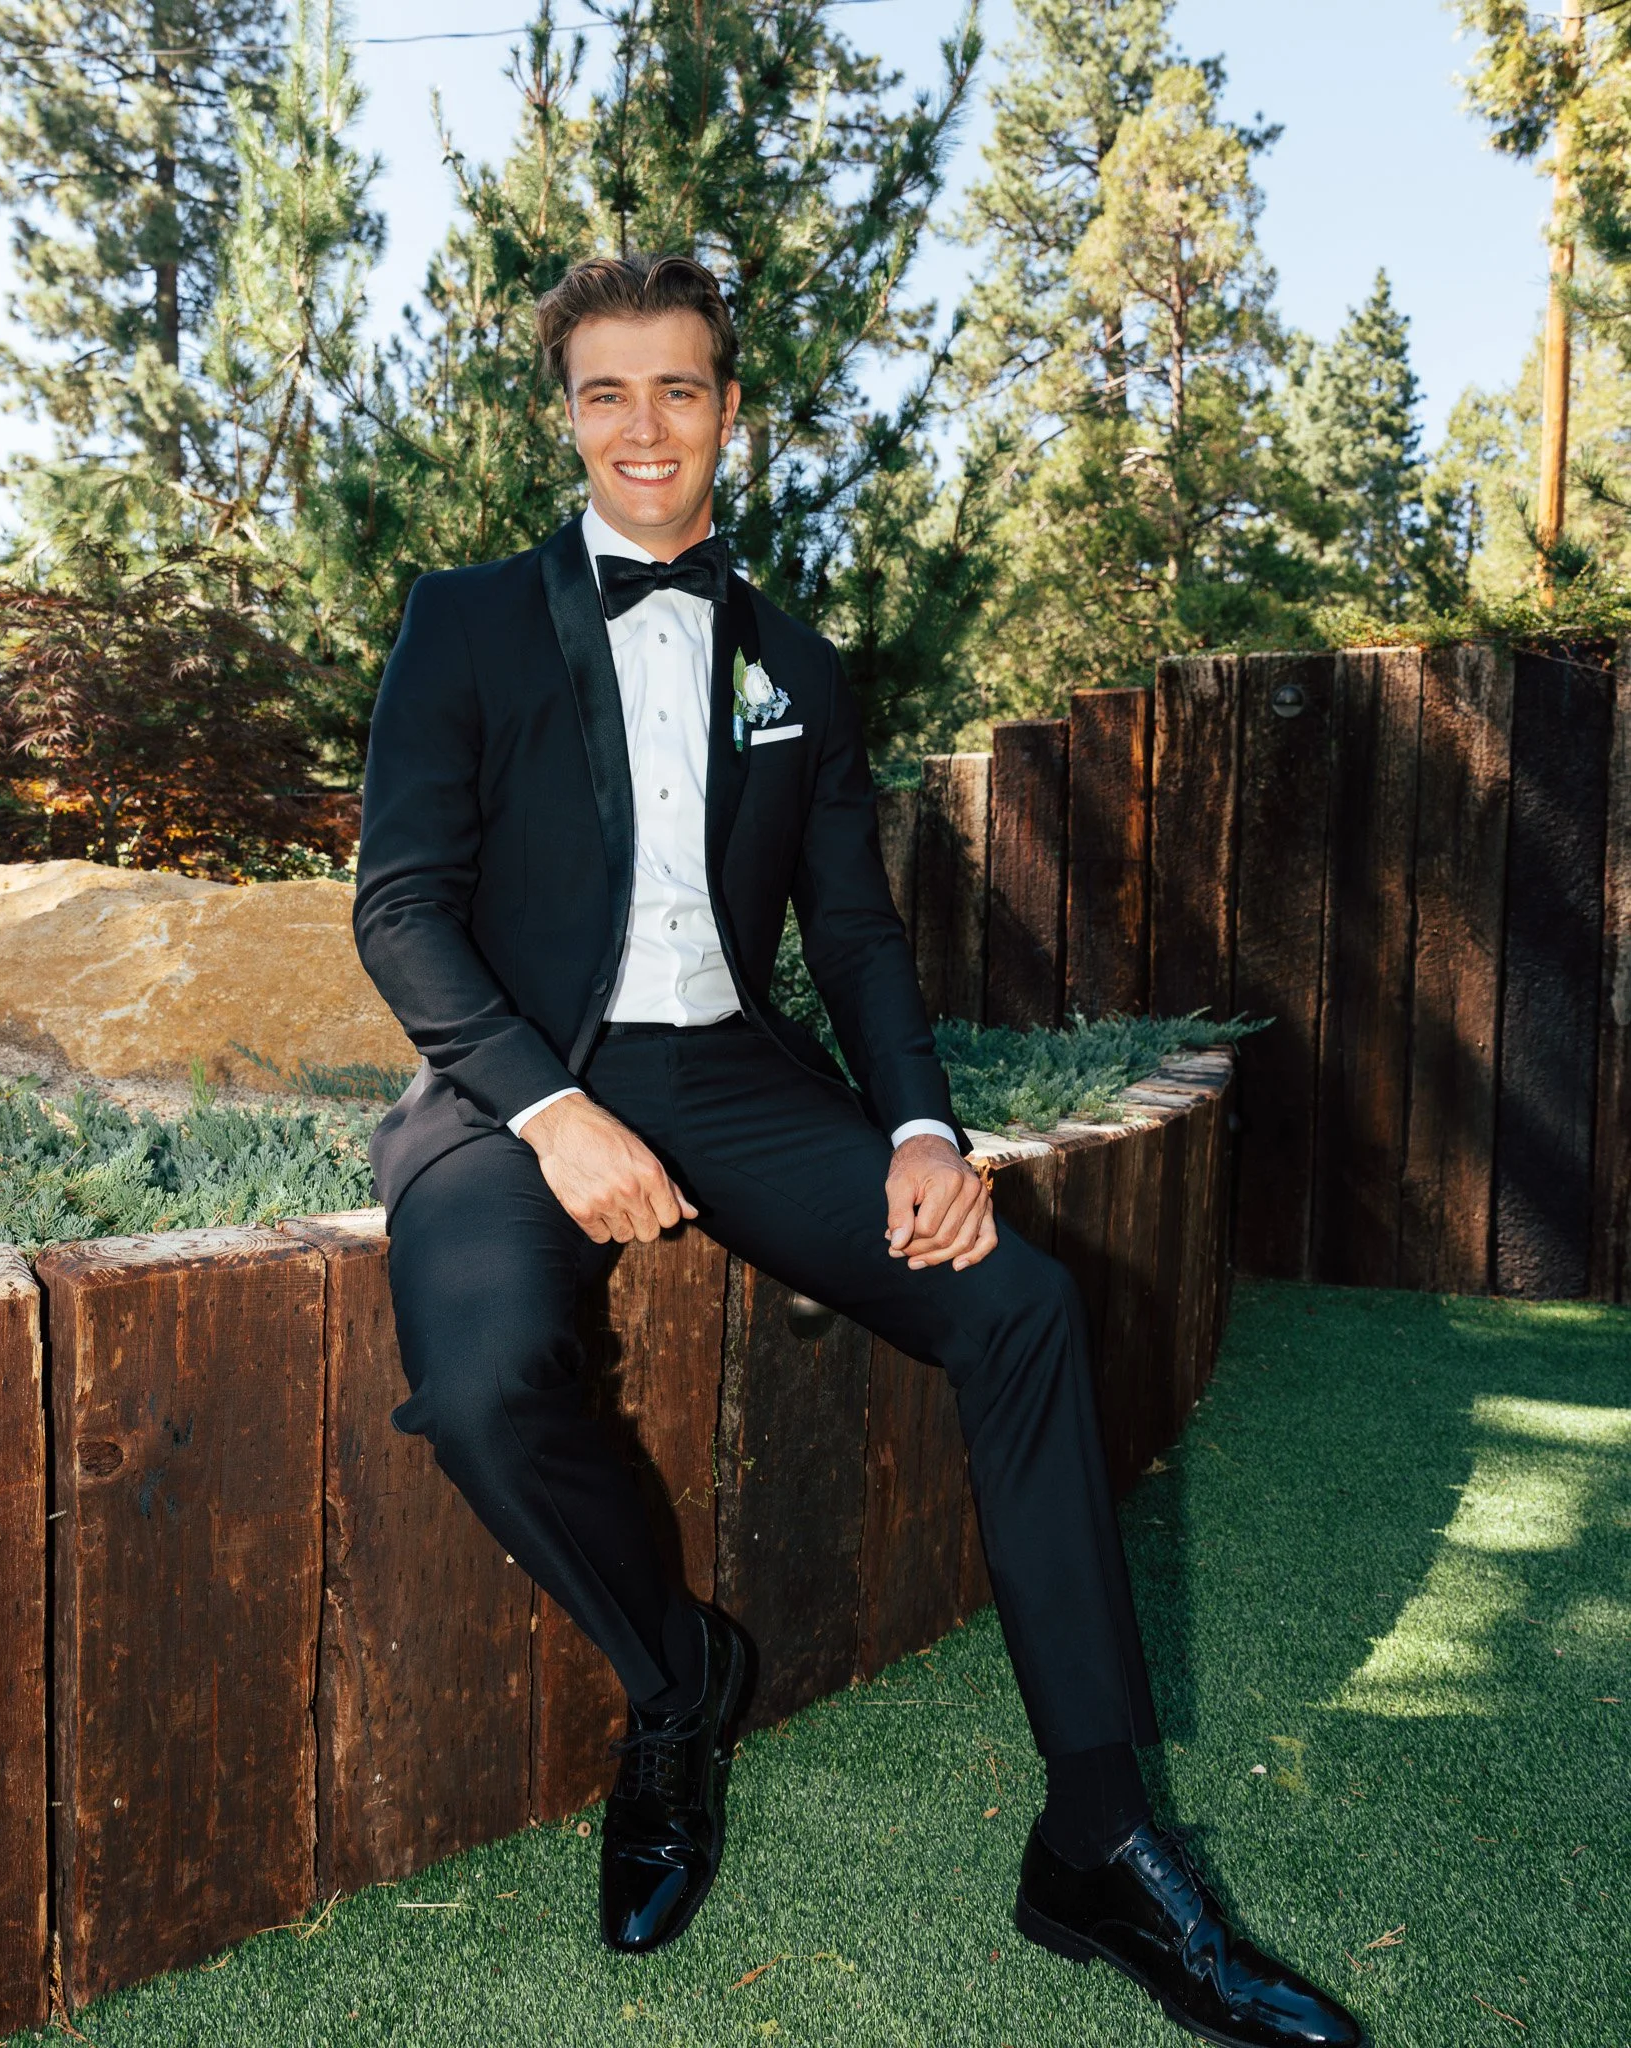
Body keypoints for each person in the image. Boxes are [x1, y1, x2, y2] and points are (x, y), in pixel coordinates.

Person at [351, 250, 1365, 2047]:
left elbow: (858, 930)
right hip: (521, 1081)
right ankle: (679, 1684)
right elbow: (404, 909)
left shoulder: (799, 664)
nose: (642, 426)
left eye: (679, 389)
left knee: (1023, 1304)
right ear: (563, 412)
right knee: (494, 1380)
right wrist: (550, 1108)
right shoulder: (466, 621)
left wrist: (917, 1124)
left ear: (730, 411)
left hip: (737, 1073)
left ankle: (1100, 1836)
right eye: (606, 391)